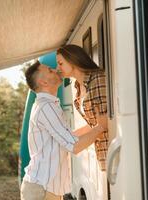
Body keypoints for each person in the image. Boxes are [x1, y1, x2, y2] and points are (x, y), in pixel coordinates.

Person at [21, 61, 105, 200]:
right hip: (42, 190)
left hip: (44, 189)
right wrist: (101, 127)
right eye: (50, 70)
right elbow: (74, 145)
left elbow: (67, 137)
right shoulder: (46, 107)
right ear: (44, 83)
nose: (55, 70)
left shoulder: (47, 105)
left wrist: (94, 125)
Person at [56, 44, 108, 171]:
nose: (58, 68)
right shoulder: (78, 87)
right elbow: (94, 124)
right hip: (101, 151)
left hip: (110, 149)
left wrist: (70, 142)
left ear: (72, 60)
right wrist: (64, 139)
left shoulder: (97, 79)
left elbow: (105, 123)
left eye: (60, 63)